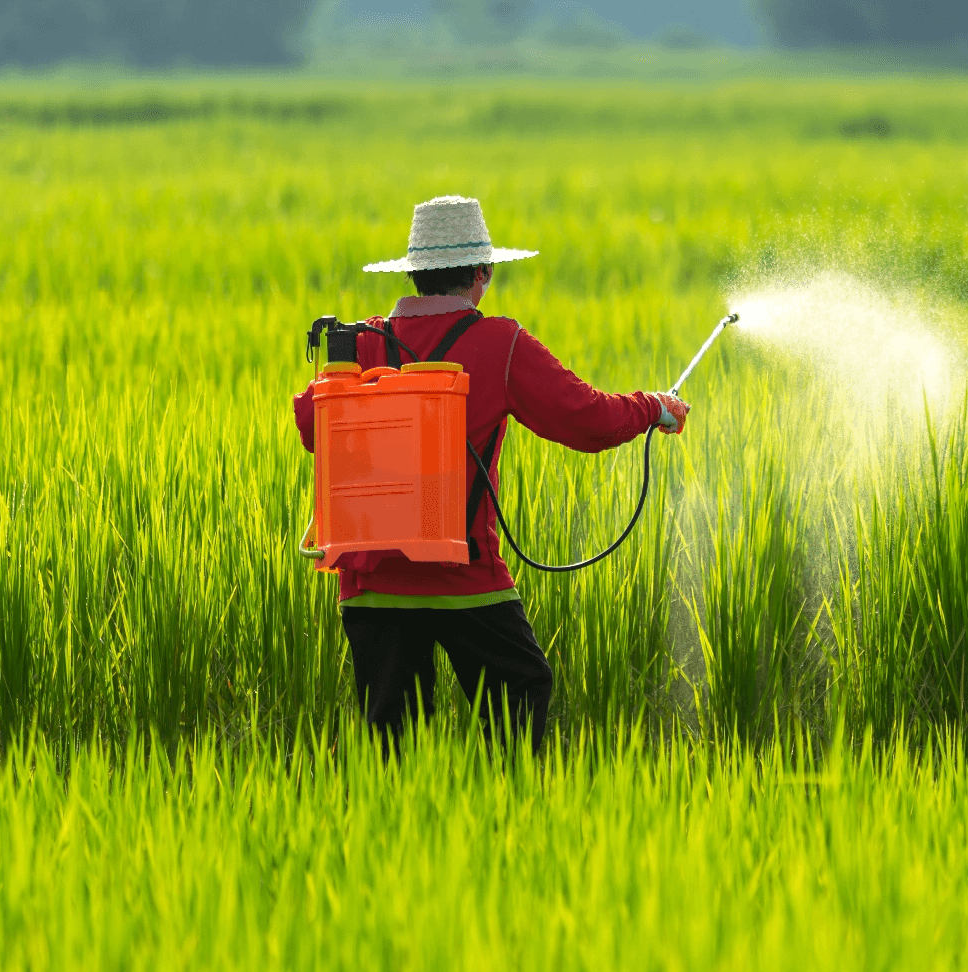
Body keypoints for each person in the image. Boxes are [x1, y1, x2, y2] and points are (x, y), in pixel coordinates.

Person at [293, 195, 691, 754]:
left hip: (372, 582)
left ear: (413, 274)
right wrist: (653, 407)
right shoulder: (498, 343)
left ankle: (392, 835)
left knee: (391, 743)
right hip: (463, 576)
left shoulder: (359, 344)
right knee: (523, 691)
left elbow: (313, 425)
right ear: (482, 275)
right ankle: (507, 821)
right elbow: (586, 420)